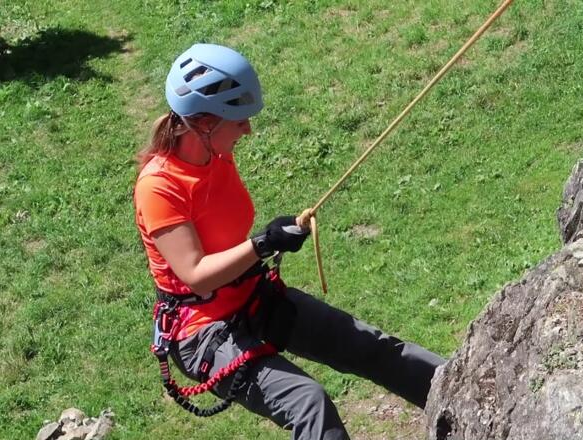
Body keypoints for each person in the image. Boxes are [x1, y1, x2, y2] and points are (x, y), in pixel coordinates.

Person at [133, 43, 445, 440]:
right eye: (239, 120)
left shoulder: (216, 154)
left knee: (370, 346)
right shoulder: (159, 187)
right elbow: (196, 274)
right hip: (202, 331)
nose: (247, 129)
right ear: (205, 123)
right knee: (308, 403)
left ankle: (469, 390)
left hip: (251, 296)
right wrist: (263, 243)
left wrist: (271, 241)